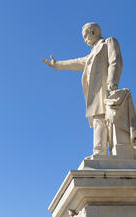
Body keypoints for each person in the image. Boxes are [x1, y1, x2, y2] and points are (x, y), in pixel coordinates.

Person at [42, 22, 123, 156]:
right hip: (95, 91)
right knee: (98, 118)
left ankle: (107, 151)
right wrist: (57, 64)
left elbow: (116, 62)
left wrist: (112, 83)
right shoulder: (91, 54)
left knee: (106, 119)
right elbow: (77, 62)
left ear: (93, 32)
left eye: (85, 36)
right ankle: (100, 151)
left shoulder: (108, 42)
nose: (85, 40)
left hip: (106, 86)